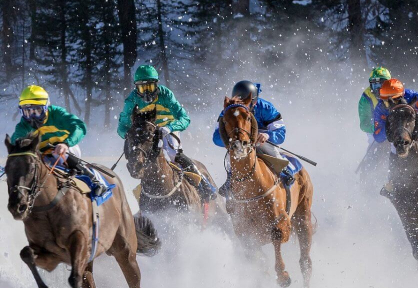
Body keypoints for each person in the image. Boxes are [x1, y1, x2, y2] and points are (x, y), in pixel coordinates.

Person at [118, 65, 216, 200]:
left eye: (150, 87)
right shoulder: (132, 99)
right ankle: (141, 196)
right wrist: (130, 135)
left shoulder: (166, 94)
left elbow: (184, 118)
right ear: (136, 88)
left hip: (167, 128)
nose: (147, 93)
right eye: (142, 88)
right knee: (139, 155)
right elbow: (122, 126)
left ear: (156, 85)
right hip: (146, 133)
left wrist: (169, 127)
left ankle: (204, 185)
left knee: (173, 153)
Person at [10, 85, 107, 196]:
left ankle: (94, 180)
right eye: (27, 112)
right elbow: (16, 142)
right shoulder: (23, 126)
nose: (32, 117)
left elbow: (80, 127)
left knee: (59, 153)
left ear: (46, 107)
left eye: (36, 111)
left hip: (66, 149)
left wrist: (66, 143)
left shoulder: (56, 114)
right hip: (42, 156)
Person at [213, 80, 294, 196]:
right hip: (240, 142)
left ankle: (285, 173)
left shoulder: (266, 108)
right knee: (231, 155)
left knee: (270, 149)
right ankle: (230, 179)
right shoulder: (228, 111)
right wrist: (230, 140)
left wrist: (268, 135)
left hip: (262, 141)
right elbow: (216, 137)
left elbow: (281, 133)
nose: (242, 105)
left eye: (246, 103)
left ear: (254, 101)